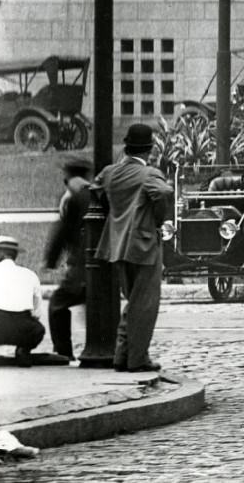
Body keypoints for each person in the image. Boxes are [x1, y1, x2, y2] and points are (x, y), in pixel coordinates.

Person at [94, 123, 172, 372]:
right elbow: (163, 193)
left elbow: (96, 189)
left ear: (126, 147)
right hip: (144, 245)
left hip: (116, 246)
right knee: (145, 305)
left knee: (133, 302)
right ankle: (137, 359)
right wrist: (157, 220)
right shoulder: (149, 174)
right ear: (149, 150)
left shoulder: (110, 173)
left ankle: (122, 354)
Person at [44, 156, 93, 361]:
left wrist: (50, 260)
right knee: (94, 308)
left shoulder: (74, 198)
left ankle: (64, 352)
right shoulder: (95, 194)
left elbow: (62, 232)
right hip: (100, 263)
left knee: (57, 304)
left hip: (81, 266)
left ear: (69, 178)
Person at [0, 236, 44, 367]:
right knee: (37, 328)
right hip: (23, 329)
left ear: (1, 253)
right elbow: (37, 312)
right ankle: (23, 350)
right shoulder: (30, 274)